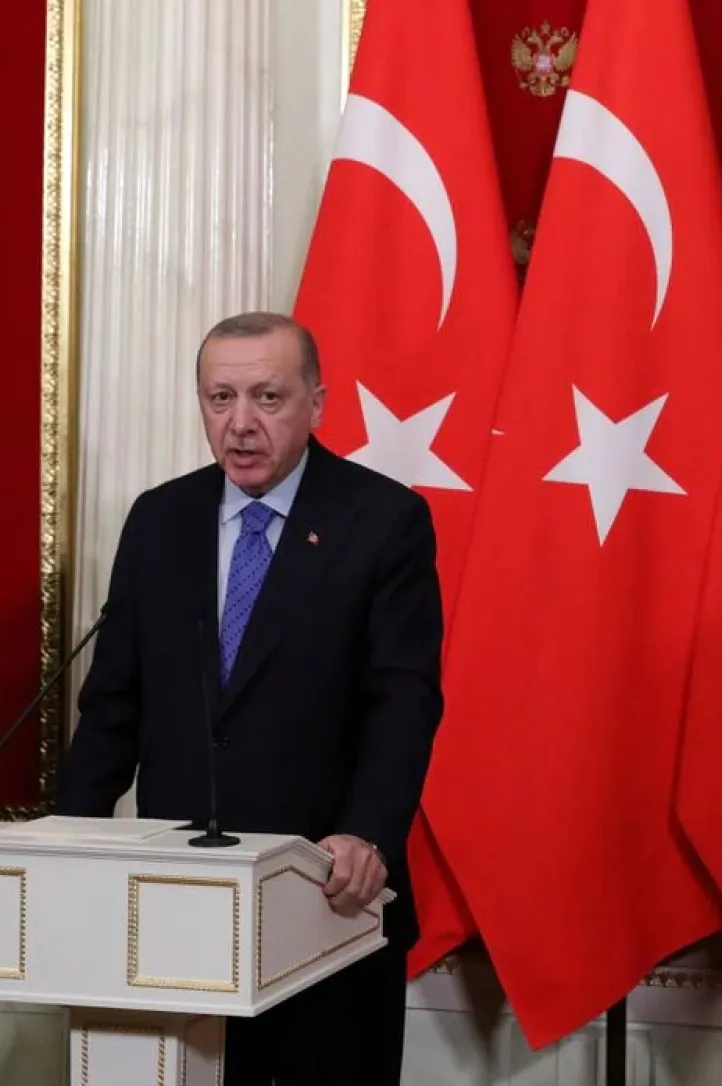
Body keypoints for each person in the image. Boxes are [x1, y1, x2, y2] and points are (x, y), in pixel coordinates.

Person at [56, 311, 443, 1085]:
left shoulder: (383, 520)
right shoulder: (160, 519)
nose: (239, 425)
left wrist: (365, 834)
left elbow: (402, 701)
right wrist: (70, 841)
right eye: (219, 397)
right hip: (175, 909)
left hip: (325, 903)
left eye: (267, 397)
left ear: (316, 402)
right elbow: (112, 709)